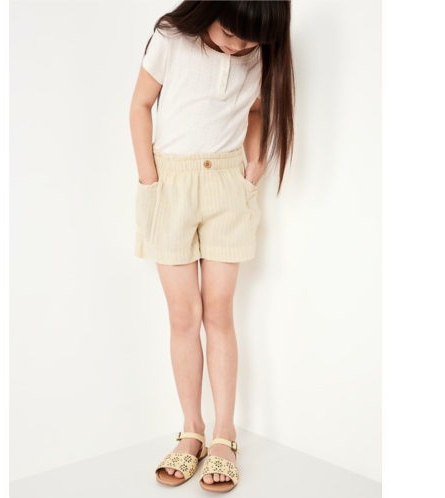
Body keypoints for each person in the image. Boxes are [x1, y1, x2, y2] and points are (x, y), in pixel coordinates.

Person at [129, 0, 294, 492]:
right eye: (230, 34)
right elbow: (140, 105)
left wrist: (253, 166)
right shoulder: (171, 39)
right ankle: (191, 430)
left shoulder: (257, 54)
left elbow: (257, 110)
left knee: (219, 312)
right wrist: (150, 178)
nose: (238, 47)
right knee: (184, 315)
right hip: (170, 185)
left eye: (249, 40)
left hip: (225, 186)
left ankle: (225, 434)